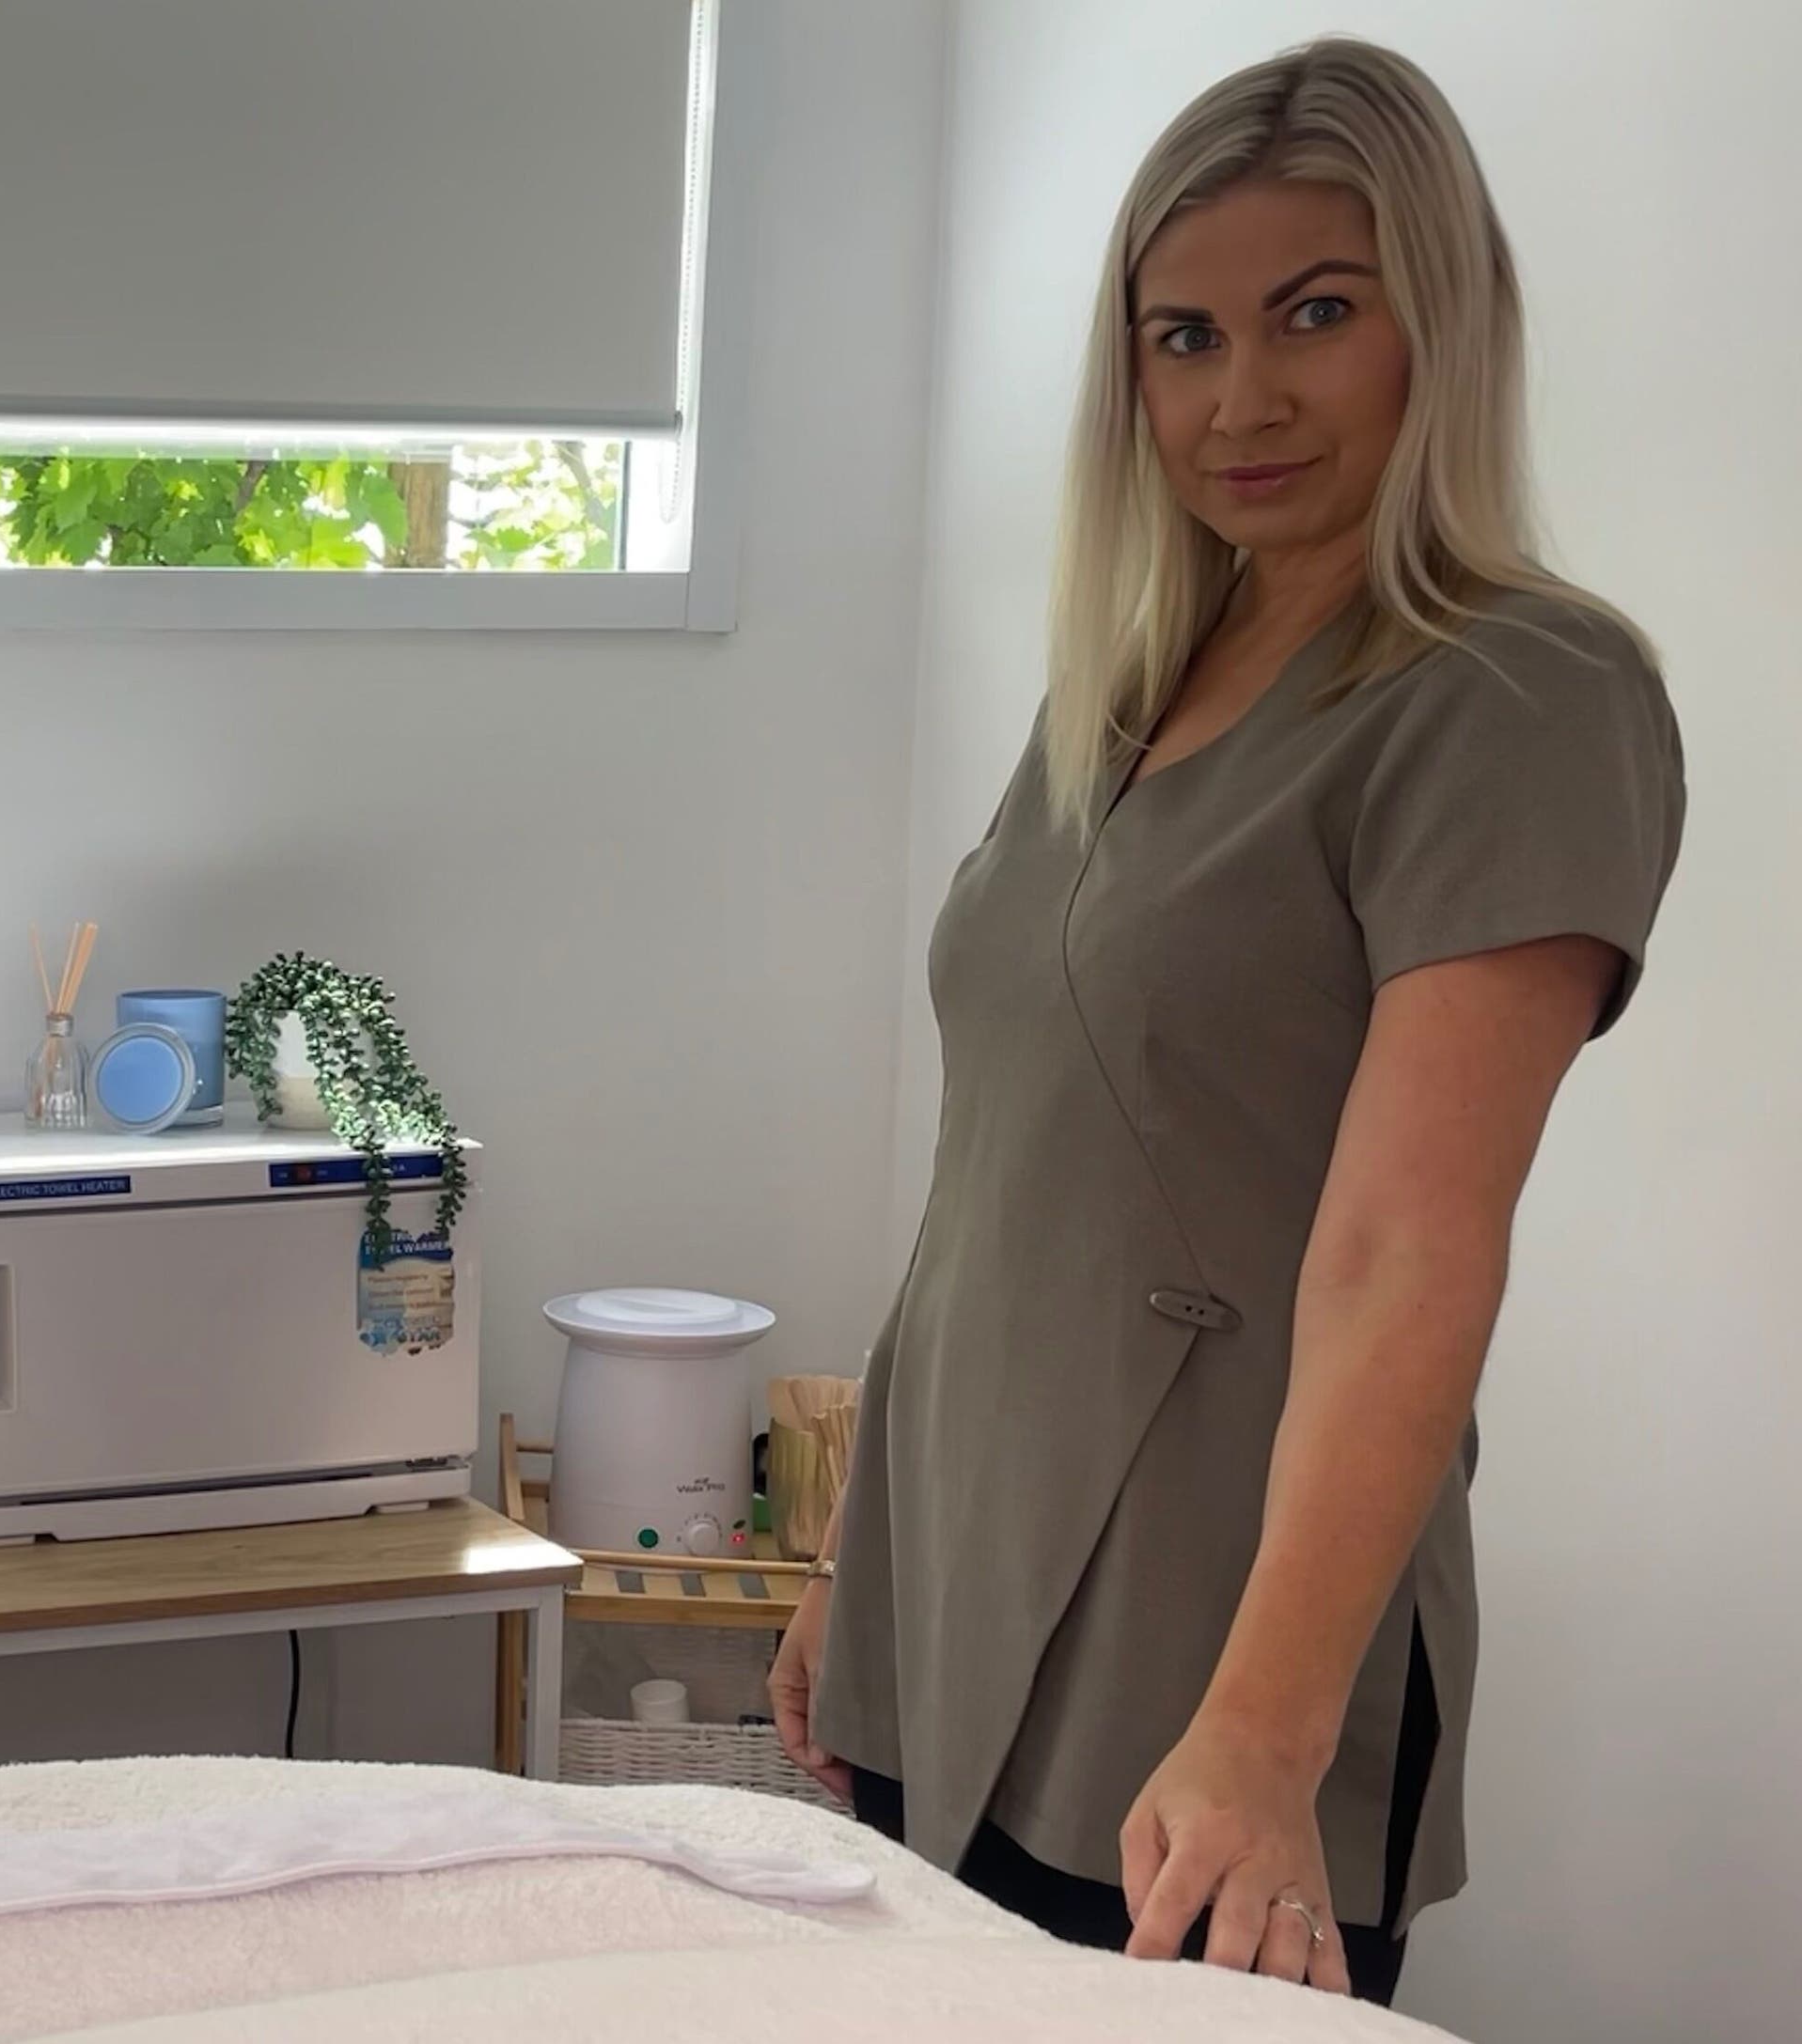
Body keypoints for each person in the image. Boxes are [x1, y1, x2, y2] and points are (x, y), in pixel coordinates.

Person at [768, 36, 1684, 2005]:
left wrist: (1265, 1734)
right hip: (956, 1564)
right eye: (1182, 338)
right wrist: (860, 1555)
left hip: (1215, 1624)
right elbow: (996, 1169)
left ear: (1440, 321)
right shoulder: (1124, 687)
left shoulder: (1518, 694)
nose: (1240, 397)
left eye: (1316, 317)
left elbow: (1409, 1246)